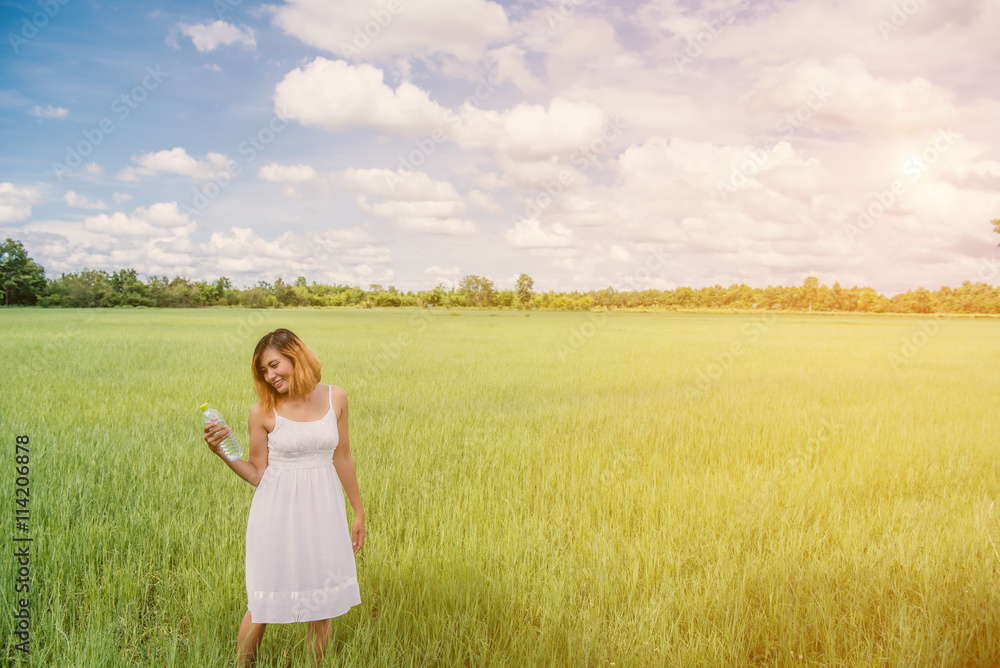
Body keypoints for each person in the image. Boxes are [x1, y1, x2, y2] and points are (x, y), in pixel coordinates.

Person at [203, 328, 364, 667]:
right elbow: (258, 473)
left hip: (324, 511)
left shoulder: (337, 397)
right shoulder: (262, 411)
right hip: (275, 514)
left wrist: (358, 511)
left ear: (296, 356)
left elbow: (343, 456)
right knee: (263, 603)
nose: (270, 376)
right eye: (264, 371)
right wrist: (221, 451)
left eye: (275, 365)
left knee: (321, 606)